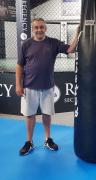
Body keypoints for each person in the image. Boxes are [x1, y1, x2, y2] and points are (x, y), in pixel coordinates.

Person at [16, 18, 80, 156]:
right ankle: (29, 142)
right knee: (29, 115)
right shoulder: (26, 44)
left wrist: (77, 32)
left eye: (41, 27)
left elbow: (70, 49)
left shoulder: (53, 43)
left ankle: (47, 139)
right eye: (36, 27)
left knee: (46, 114)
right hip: (29, 87)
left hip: (47, 87)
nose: (39, 29)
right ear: (33, 29)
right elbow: (19, 65)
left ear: (46, 28)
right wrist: (18, 85)